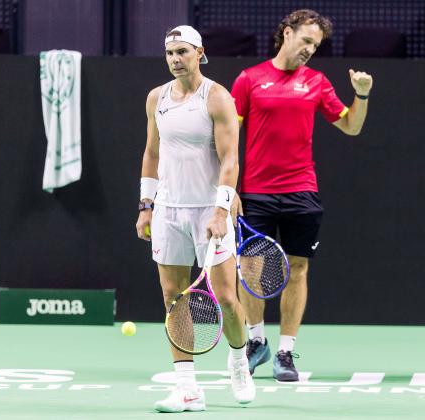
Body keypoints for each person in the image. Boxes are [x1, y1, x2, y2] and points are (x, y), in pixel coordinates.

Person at [229, 9, 373, 381]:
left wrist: (362, 95)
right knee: (251, 271)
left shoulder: (317, 82)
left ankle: (286, 353)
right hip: (256, 193)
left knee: (299, 270)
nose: (311, 49)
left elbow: (351, 126)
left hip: (301, 192)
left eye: (316, 45)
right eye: (307, 40)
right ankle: (256, 340)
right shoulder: (249, 80)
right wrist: (228, 190)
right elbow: (228, 139)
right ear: (288, 33)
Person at [135, 25, 255, 412]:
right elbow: (152, 153)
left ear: (199, 53)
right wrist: (145, 205)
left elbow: (230, 159)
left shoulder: (217, 97)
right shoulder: (157, 99)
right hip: (168, 211)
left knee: (226, 298)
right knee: (174, 299)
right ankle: (188, 389)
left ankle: (239, 362)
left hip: (209, 211)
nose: (175, 59)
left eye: (182, 52)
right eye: (170, 53)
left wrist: (221, 211)